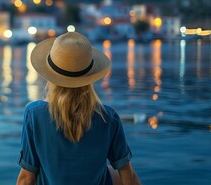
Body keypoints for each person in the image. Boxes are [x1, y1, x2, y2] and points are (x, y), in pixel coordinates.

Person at [16, 32, 141, 185]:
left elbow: (26, 178)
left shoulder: (34, 114)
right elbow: (128, 176)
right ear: (90, 75)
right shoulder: (108, 116)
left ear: (51, 75)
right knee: (115, 170)